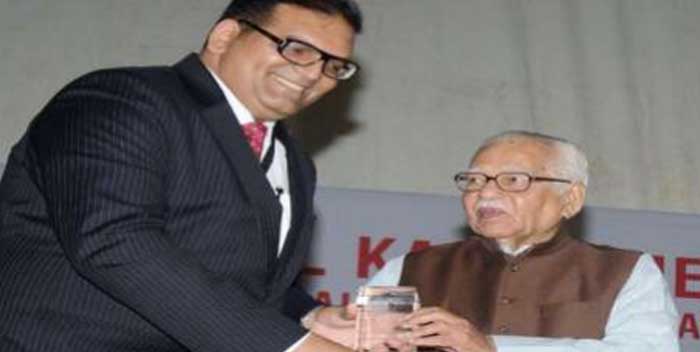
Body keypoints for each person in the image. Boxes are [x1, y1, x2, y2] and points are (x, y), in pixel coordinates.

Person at [0, 1, 363, 351]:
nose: (314, 73)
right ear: (225, 36)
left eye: (335, 66)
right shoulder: (122, 99)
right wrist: (292, 347)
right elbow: (114, 241)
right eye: (297, 49)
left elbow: (236, 274)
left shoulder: (296, 161)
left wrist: (307, 316)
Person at [369, 131, 679, 351]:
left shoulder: (626, 272)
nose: (486, 193)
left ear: (570, 199)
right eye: (474, 180)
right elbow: (363, 340)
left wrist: (491, 348)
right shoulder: (408, 269)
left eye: (514, 180)